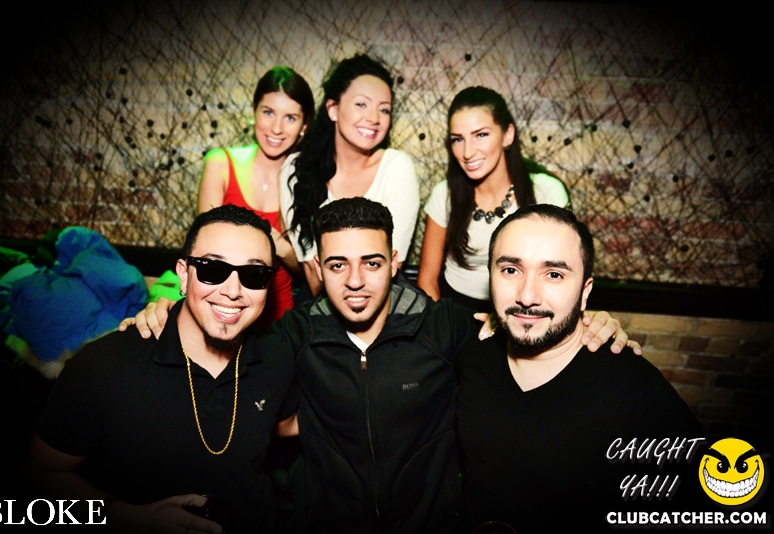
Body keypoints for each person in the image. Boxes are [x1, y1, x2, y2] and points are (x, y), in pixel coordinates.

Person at [124, 199, 638, 533]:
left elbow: (527, 334)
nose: (355, 281)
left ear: (394, 262)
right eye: (337, 265)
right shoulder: (293, 336)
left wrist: (590, 321)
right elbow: (223, 344)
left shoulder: (445, 328)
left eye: (371, 263)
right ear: (317, 269)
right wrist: (166, 312)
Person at [26, 205, 298, 533]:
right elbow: (40, 475)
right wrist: (130, 517)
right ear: (183, 274)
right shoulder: (103, 367)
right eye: (213, 269)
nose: (232, 290)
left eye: (254, 275)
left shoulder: (278, 358)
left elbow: (292, 425)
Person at [456, 204, 704, 532]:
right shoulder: (469, 351)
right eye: (511, 270)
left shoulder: (633, 389)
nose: (527, 296)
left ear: (584, 293)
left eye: (554, 275)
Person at [280, 54, 420, 298]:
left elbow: (388, 270)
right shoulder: (296, 169)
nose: (374, 118)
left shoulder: (397, 169)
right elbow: (312, 271)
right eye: (361, 104)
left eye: (384, 109)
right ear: (333, 109)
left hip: (382, 305)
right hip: (318, 302)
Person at [419, 86, 569, 311]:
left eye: (481, 135)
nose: (468, 152)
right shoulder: (445, 194)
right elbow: (427, 280)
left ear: (507, 135)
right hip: (455, 310)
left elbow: (564, 275)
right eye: (458, 139)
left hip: (525, 309)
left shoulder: (546, 192)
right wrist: (441, 325)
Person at [196, 66, 314, 327]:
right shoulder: (220, 163)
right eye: (268, 112)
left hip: (278, 315)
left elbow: (306, 270)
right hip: (223, 304)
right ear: (253, 112)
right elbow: (203, 249)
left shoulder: (306, 180)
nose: (276, 128)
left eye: (290, 117)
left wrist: (276, 241)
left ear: (304, 125)